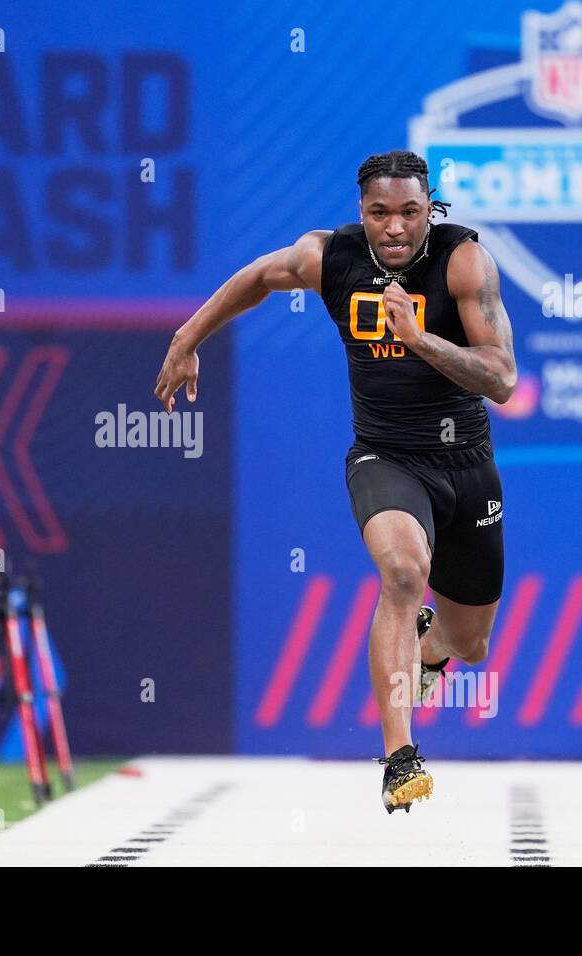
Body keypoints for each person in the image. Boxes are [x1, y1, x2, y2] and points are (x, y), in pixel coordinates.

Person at [153, 150, 517, 813]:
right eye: (380, 214)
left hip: (466, 465)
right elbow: (263, 275)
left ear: (428, 208)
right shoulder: (333, 259)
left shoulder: (464, 261)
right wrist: (189, 335)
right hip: (386, 458)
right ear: (362, 213)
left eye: (410, 212)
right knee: (404, 572)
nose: (396, 229)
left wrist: (421, 341)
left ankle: (430, 648)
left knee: (472, 644)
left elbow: (503, 377)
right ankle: (401, 757)